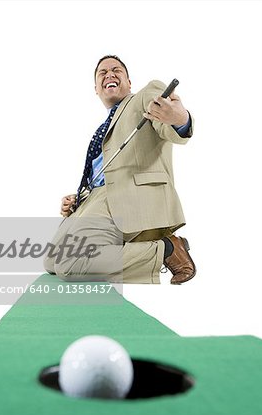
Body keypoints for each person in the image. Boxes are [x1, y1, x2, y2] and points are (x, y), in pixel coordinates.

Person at [44, 55, 196, 284]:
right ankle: (121, 247)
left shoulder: (145, 97)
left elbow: (170, 121)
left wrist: (179, 118)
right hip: (91, 201)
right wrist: (79, 197)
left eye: (116, 70)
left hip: (124, 199)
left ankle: (166, 249)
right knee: (50, 260)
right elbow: (105, 173)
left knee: (71, 264)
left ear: (129, 82)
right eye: (102, 73)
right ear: (96, 89)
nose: (109, 75)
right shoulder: (104, 128)